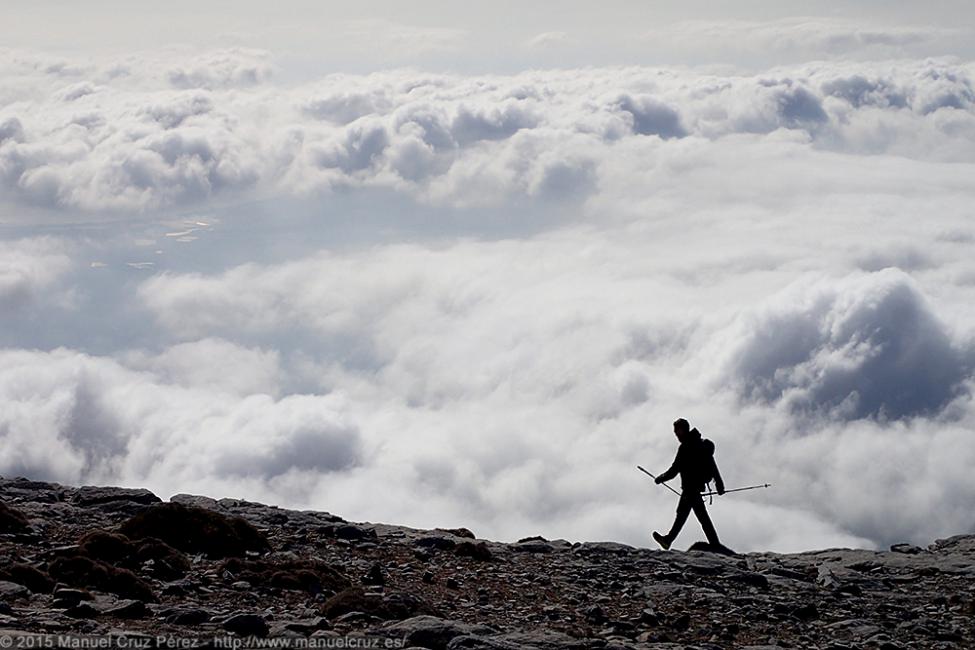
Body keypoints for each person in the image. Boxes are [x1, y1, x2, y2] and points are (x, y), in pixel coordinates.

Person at [651, 418, 725, 550]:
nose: (676, 435)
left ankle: (668, 540)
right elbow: (713, 466)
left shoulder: (685, 447)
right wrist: (719, 484)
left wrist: (660, 479)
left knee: (684, 514)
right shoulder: (700, 444)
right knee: (700, 516)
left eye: (677, 432)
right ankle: (715, 544)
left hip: (690, 488)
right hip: (695, 487)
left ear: (682, 430)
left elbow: (674, 470)